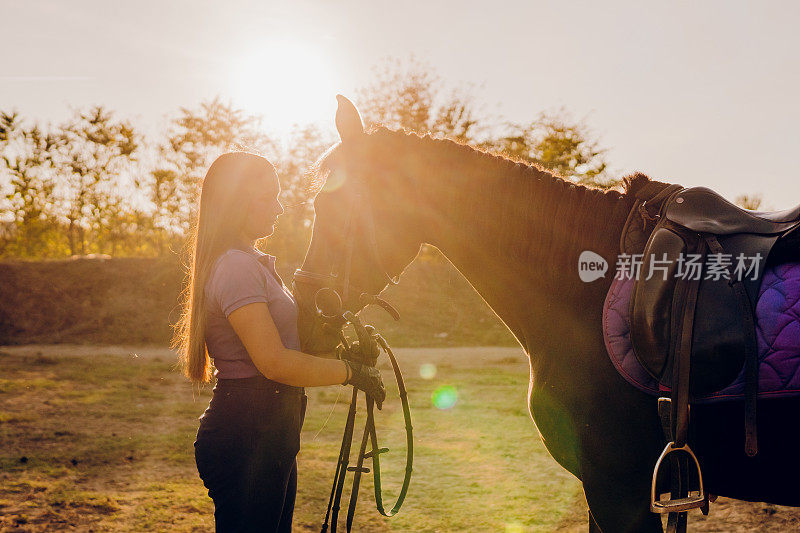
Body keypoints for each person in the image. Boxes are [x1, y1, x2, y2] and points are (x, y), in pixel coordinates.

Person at [173, 152, 386, 532]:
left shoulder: (250, 262)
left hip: (267, 425)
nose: (280, 207)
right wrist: (351, 372)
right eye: (268, 196)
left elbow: (288, 348)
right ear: (237, 201)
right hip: (249, 430)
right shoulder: (236, 266)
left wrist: (344, 354)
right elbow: (273, 362)